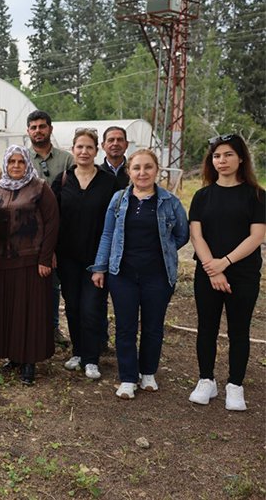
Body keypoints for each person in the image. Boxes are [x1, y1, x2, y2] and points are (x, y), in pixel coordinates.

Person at [90, 149, 189, 399]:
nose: (142, 173)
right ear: (129, 171)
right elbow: (108, 235)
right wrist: (100, 267)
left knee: (153, 326)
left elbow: (182, 234)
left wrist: (163, 249)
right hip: (122, 274)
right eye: (137, 168)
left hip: (157, 276)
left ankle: (148, 373)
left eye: (148, 167)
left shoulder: (169, 202)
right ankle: (127, 378)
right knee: (125, 326)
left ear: (157, 170)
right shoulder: (118, 199)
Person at [187, 134, 265, 411]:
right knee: (206, 328)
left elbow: (257, 236)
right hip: (207, 273)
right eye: (217, 156)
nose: (222, 160)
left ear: (241, 158)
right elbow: (196, 235)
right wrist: (213, 268)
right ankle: (206, 380)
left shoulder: (256, 195)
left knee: (239, 329)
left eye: (228, 154)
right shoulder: (202, 195)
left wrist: (226, 263)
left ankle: (235, 384)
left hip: (243, 274)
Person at [0, 145, 59, 386]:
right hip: (4, 261)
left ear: (27, 163)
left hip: (32, 261)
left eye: (21, 161)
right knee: (8, 310)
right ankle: (14, 356)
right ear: (6, 164)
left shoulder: (40, 187)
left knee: (30, 312)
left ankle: (29, 361)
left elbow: (52, 223)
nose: (16, 166)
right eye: (12, 162)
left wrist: (44, 258)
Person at [51, 128, 118, 381]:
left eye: (89, 147)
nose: (84, 152)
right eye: (79, 147)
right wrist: (52, 252)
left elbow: (114, 222)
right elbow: (53, 218)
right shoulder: (63, 180)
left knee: (92, 307)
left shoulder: (109, 182)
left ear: (96, 150)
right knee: (73, 306)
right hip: (67, 256)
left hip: (96, 258)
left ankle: (92, 358)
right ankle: (78, 352)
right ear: (73, 149)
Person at [27, 110, 74, 348]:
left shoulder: (67, 160)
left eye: (42, 126)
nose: (38, 131)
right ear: (28, 131)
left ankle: (53, 326)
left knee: (54, 281)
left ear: (50, 129)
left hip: (61, 229)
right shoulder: (21, 158)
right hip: (29, 233)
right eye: (33, 127)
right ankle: (33, 325)